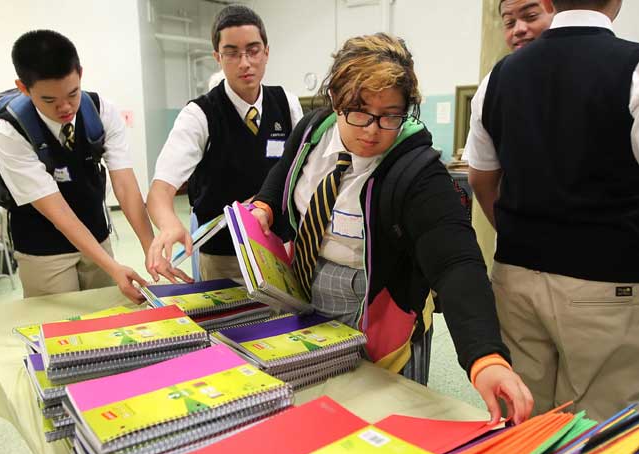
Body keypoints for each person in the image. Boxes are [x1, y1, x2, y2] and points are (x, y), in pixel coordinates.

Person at [250, 32, 534, 424]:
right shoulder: (313, 132)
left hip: (380, 305)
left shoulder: (417, 173)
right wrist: (266, 203)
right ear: (335, 98)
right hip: (307, 290)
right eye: (360, 111)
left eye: (390, 115)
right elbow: (284, 172)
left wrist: (485, 356)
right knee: (312, 405)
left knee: (379, 417)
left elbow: (455, 262)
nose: (372, 129)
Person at [464, 0, 639, 421]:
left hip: (516, 276)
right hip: (606, 283)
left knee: (521, 417)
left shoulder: (498, 78)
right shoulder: (632, 67)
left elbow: (480, 178)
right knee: (594, 432)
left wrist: (512, 230)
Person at [0, 30, 157, 301]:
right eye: (49, 100)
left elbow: (125, 185)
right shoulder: (10, 133)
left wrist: (151, 247)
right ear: (23, 87)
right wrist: (114, 267)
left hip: (97, 234)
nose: (65, 107)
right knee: (61, 330)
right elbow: (58, 213)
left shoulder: (100, 110)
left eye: (72, 93)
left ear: (80, 73)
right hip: (44, 251)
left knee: (109, 321)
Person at [146, 5, 303, 283]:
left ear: (266, 52)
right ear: (217, 57)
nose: (244, 62)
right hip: (224, 257)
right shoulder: (199, 115)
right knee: (227, 325)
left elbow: (300, 172)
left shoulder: (286, 104)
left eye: (253, 50)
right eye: (232, 53)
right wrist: (169, 224)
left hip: (279, 249)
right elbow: (160, 190)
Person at [467, 0, 555, 227]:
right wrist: (507, 232)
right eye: (509, 23)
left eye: (531, 16)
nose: (519, 29)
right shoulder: (493, 84)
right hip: (522, 244)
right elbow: (481, 179)